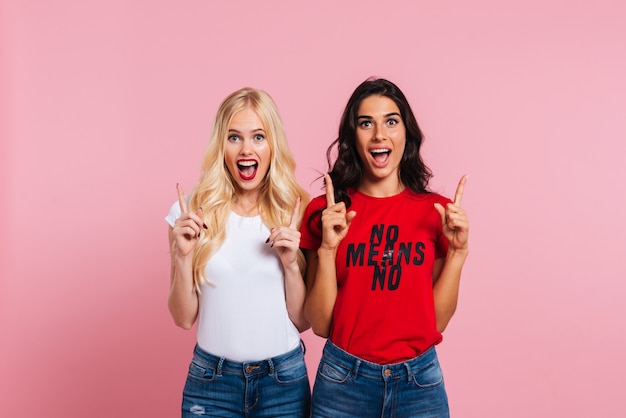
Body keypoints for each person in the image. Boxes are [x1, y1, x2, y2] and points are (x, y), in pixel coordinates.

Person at [300, 78, 469, 417]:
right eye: (366, 123)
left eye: (391, 121)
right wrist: (328, 249)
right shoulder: (326, 211)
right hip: (343, 382)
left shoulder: (436, 211)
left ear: (406, 134)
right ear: (353, 137)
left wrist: (457, 254)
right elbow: (319, 324)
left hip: (418, 382)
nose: (379, 135)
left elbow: (435, 323)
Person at [165, 87, 311, 417]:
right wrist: (183, 256)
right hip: (211, 384)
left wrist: (290, 265)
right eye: (234, 138)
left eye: (258, 137)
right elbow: (183, 317)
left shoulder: (298, 212)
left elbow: (303, 320)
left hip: (282, 384)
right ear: (221, 146)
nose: (246, 149)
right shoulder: (188, 213)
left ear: (273, 144)